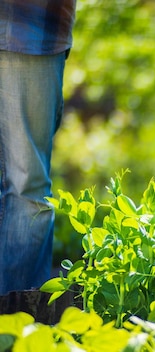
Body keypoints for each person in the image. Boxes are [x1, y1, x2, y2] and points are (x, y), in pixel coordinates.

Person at [0, 0, 76, 294]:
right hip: (34, 34)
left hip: (33, 31)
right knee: (27, 189)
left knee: (27, 189)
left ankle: (17, 324)